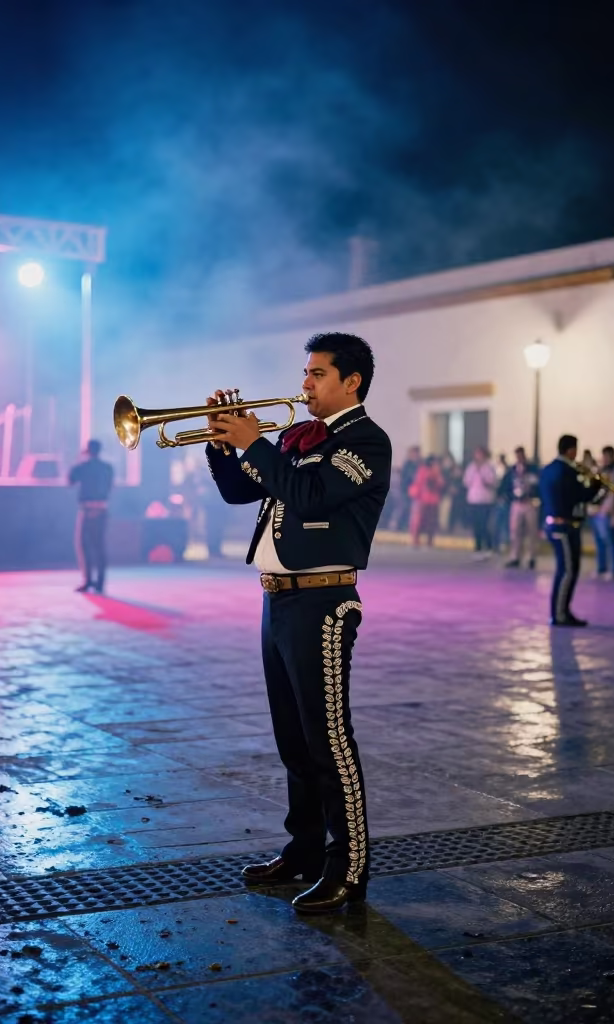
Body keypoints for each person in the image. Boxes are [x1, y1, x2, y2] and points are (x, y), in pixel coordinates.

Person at [205, 331, 390, 914]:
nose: (304, 383)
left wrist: (257, 442)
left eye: (317, 374)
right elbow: (242, 490)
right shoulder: (295, 436)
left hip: (323, 602)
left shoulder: (365, 441)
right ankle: (304, 848)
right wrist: (221, 445)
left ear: (351, 381)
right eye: (306, 372)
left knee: (329, 739)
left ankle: (348, 866)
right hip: (277, 600)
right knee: (293, 739)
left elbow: (310, 497)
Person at [539, 434, 601, 626]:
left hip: (554, 523)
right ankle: (559, 614)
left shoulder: (548, 469)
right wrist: (596, 483)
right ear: (570, 450)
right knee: (567, 570)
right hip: (564, 525)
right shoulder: (567, 471)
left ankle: (563, 611)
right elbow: (582, 495)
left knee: (567, 569)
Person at [69, 439, 114, 593]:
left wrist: (79, 459)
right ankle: (100, 583)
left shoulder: (83, 467)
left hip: (87, 510)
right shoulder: (108, 468)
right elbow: (109, 488)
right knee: (99, 547)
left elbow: (70, 480)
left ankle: (88, 580)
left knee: (84, 546)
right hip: (101, 510)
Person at [590, 446, 614, 581]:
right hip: (597, 512)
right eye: (604, 456)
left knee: (611, 542)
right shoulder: (600, 471)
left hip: (610, 513)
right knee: (599, 542)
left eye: (607, 456)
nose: (605, 459)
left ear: (613, 456)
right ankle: (601, 568)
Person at [500, 446, 539, 569]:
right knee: (515, 531)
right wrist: (508, 497)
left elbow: (537, 483)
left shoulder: (532, 469)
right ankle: (515, 556)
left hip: (529, 502)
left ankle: (531, 557)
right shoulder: (512, 470)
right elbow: (505, 485)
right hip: (516, 502)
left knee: (532, 531)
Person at [463, 447, 497, 557]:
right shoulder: (471, 467)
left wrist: (483, 476)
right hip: (473, 499)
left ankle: (489, 546)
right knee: (476, 525)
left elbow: (492, 481)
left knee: (484, 524)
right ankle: (477, 547)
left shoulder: (489, 467)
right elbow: (466, 481)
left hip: (485, 500)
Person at [409, 454, 444, 547]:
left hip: (433, 500)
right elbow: (420, 483)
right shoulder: (423, 471)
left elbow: (441, 484)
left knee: (431, 522)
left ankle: (429, 541)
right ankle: (416, 540)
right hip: (423, 500)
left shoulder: (436, 471)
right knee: (420, 521)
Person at [394, 445, 421, 532]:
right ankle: (399, 525)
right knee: (404, 507)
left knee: (411, 509)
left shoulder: (418, 464)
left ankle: (407, 526)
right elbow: (404, 478)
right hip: (405, 490)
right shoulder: (408, 464)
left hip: (414, 491)